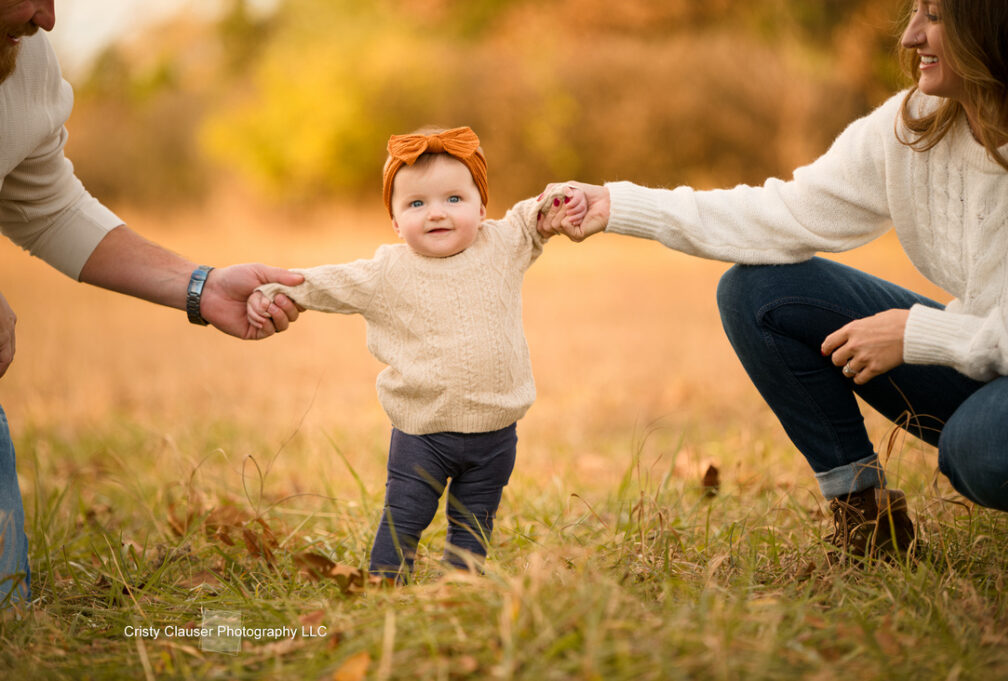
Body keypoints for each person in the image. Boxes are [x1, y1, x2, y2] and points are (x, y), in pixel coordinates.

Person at [539, 0, 1008, 561]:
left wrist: (920, 337)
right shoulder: (912, 126)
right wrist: (616, 205)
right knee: (760, 294)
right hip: (982, 359)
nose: (912, 35)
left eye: (936, 16)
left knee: (983, 448)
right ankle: (865, 525)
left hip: (988, 366)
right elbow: (784, 212)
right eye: (914, 12)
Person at [0, 2, 304, 607]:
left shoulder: (24, 59)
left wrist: (202, 285)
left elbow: (48, 205)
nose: (47, 18)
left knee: (7, 608)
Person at [250, 126, 584, 581]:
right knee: (404, 516)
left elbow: (531, 218)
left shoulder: (502, 245)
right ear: (394, 221)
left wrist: (559, 203)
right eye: (416, 204)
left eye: (454, 199)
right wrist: (272, 289)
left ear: (482, 207)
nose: (436, 214)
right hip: (421, 433)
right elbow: (329, 281)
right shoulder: (388, 270)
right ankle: (386, 581)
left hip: (495, 433)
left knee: (474, 521)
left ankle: (460, 587)